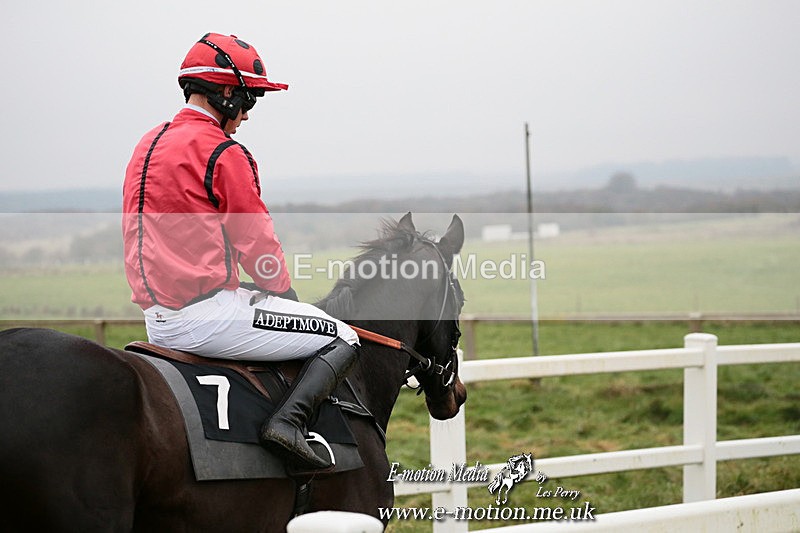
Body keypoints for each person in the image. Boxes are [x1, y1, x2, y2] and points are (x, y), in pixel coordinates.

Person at [122, 32, 359, 470]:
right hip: (206, 316)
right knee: (342, 336)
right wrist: (282, 294)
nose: (247, 115)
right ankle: (287, 424)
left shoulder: (147, 144)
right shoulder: (224, 152)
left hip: (157, 320)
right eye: (248, 100)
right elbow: (256, 240)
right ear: (226, 94)